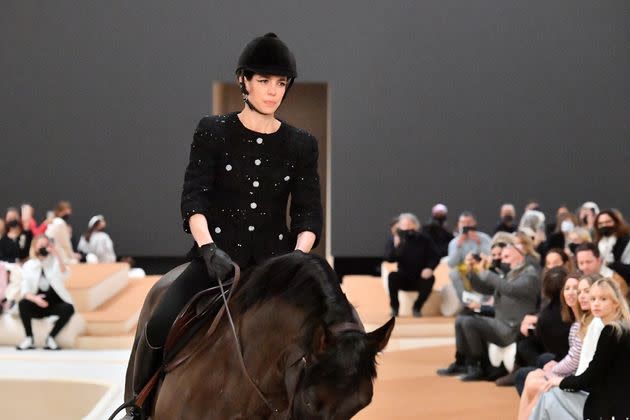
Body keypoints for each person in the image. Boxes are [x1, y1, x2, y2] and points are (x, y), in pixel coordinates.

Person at [126, 33, 323, 419]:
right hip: (214, 259)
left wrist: (297, 259)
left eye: (281, 83)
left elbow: (308, 214)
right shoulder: (213, 130)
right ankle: (139, 406)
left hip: (274, 268)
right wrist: (207, 248)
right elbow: (194, 198)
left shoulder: (301, 144)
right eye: (264, 81)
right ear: (244, 81)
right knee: (159, 323)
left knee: (321, 335)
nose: (273, 92)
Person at [437, 235, 539, 381]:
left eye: (511, 247)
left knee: (469, 322)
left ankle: (481, 366)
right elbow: (485, 288)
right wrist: (473, 271)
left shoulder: (530, 274)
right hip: (501, 323)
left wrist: (485, 272)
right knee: (461, 319)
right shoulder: (511, 272)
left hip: (512, 328)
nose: (506, 251)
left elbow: (509, 289)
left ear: (522, 251)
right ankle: (465, 363)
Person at [531, 277, 630, 419]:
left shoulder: (611, 331)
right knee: (549, 397)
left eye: (603, 299)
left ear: (615, 303)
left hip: (609, 409)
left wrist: (560, 381)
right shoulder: (622, 327)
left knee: (549, 396)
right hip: (614, 403)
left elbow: (589, 377)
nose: (596, 304)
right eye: (593, 299)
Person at [516, 273, 597, 419]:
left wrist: (554, 372)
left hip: (582, 384)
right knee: (532, 376)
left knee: (538, 385)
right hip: (576, 376)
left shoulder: (591, 324)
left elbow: (575, 360)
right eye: (568, 289)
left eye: (579, 290)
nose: (574, 293)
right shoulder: (577, 323)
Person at [16, 235, 75, 351]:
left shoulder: (55, 263)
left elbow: (65, 274)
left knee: (69, 308)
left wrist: (57, 254)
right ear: (35, 247)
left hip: (53, 304)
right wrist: (35, 299)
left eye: (46, 245)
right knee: (23, 304)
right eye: (41, 245)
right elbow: (25, 289)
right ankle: (29, 338)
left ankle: (51, 338)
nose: (44, 247)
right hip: (37, 304)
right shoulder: (29, 265)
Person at [385, 213, 440, 317]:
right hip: (403, 277)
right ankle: (394, 308)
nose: (407, 228)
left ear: (416, 226)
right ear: (399, 227)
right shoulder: (395, 239)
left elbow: (435, 256)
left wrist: (429, 268)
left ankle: (417, 307)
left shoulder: (424, 239)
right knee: (392, 276)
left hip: (420, 278)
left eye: (410, 224)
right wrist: (396, 247)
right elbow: (389, 258)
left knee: (430, 279)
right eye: (404, 225)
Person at [446, 211, 492, 307]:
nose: (466, 225)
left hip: (481, 267)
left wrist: (479, 243)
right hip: (464, 271)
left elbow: (490, 257)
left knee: (489, 271)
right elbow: (451, 264)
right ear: (459, 225)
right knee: (453, 273)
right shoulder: (454, 242)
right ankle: (466, 305)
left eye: (469, 223)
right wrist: (459, 246)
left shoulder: (484, 238)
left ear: (474, 223)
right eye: (463, 223)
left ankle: (485, 304)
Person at [594, 208, 630, 284]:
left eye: (608, 222)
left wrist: (611, 264)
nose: (604, 225)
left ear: (616, 222)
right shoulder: (597, 243)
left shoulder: (626, 241)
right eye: (600, 224)